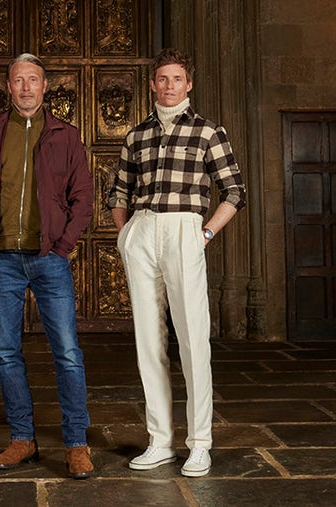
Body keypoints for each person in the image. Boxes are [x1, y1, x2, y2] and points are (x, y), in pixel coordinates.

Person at [107, 48, 247, 478]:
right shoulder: (137, 136)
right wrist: (126, 234)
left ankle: (199, 443)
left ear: (190, 85)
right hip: (143, 231)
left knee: (193, 342)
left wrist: (204, 234)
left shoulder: (208, 132)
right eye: (162, 79)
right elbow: (117, 193)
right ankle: (160, 441)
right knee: (148, 341)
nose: (169, 86)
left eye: (177, 79)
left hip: (186, 230)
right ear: (152, 84)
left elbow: (235, 192)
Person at [0, 53, 96, 480]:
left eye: (32, 80)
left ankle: (76, 443)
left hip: (47, 259)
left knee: (68, 354)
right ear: (8, 86)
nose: (25, 88)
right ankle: (23, 438)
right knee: (6, 352)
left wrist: (63, 246)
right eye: (18, 80)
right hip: (0, 260)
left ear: (44, 85)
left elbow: (84, 198)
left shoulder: (65, 135)